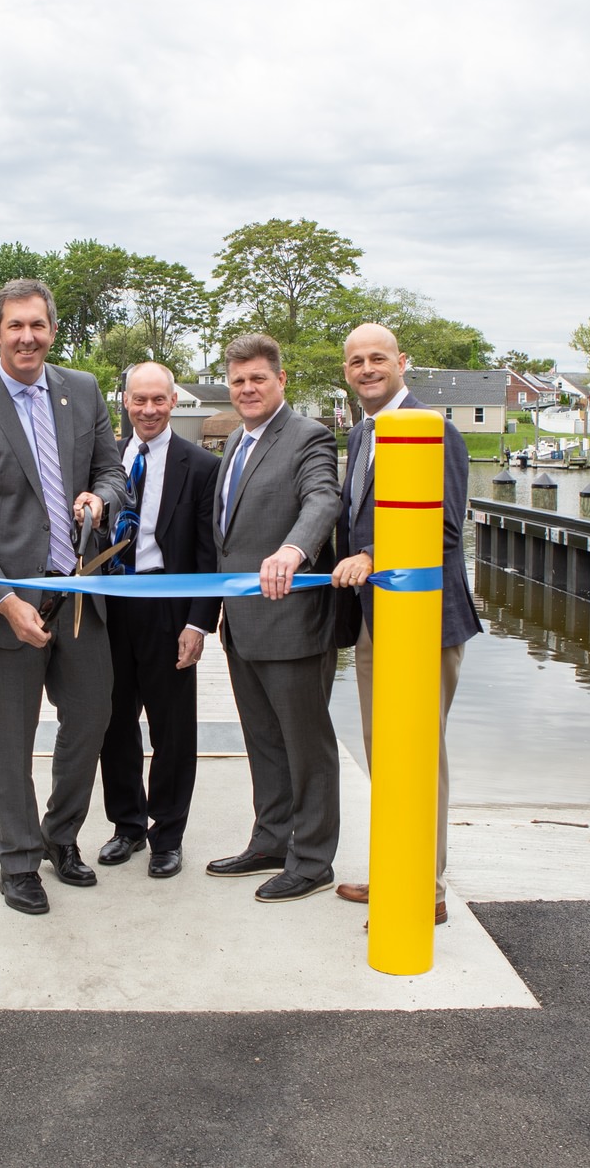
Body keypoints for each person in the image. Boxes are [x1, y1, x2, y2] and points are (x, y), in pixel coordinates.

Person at [0, 277, 128, 916]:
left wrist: (101, 499)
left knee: (92, 717)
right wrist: (5, 600)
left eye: (37, 325)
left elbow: (113, 471)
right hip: (6, 603)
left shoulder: (84, 390)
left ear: (51, 329)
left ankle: (60, 837)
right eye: (14, 326)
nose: (27, 337)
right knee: (11, 738)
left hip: (76, 595)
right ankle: (18, 861)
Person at [328, 322, 482, 925]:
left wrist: (372, 557)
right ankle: (395, 866)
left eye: (378, 359)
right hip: (373, 619)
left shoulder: (432, 430)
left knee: (419, 754)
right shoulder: (363, 434)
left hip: (424, 620)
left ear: (402, 362)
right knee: (382, 753)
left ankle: (426, 888)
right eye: (356, 361)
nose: (367, 369)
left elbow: (444, 529)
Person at [205, 332, 343, 902]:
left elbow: (323, 500)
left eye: (258, 378)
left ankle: (312, 860)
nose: (247, 389)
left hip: (293, 622)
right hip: (242, 625)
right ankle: (270, 839)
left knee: (306, 746)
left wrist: (294, 550)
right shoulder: (237, 439)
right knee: (262, 740)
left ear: (281, 380)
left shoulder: (309, 437)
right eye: (238, 381)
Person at [94, 362, 221, 881]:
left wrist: (199, 622)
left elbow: (208, 553)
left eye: (159, 401)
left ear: (174, 402)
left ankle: (168, 833)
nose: (148, 410)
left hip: (167, 601)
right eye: (139, 400)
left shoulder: (200, 466)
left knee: (173, 728)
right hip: (109, 602)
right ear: (124, 400)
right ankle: (127, 825)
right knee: (112, 721)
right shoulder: (104, 463)